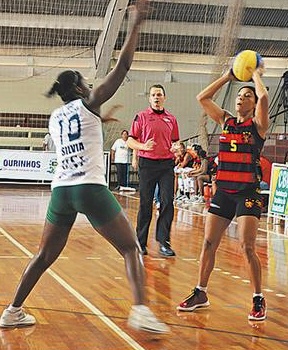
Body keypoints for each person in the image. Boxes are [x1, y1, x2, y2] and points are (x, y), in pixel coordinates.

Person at [0, 0, 169, 334]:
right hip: (89, 188)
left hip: (61, 191)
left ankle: (12, 310)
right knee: (130, 248)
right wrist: (135, 23)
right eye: (87, 83)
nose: (92, 86)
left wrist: (100, 118)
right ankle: (140, 310)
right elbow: (121, 68)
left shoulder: (55, 117)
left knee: (44, 255)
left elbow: (77, 130)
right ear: (79, 88)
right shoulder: (90, 102)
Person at [177, 64, 269, 321]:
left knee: (247, 246)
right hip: (224, 192)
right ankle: (201, 292)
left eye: (246, 96)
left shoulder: (258, 126)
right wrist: (228, 76)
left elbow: (264, 97)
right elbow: (202, 98)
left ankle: (258, 298)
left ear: (253, 104)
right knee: (208, 243)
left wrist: (255, 76)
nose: (242, 98)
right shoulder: (226, 121)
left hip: (247, 192)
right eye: (239, 95)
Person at [127, 84, 180, 257]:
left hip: (166, 165)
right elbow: (130, 140)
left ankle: (164, 242)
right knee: (145, 203)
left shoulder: (171, 119)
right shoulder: (141, 117)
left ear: (165, 97)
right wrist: (143, 146)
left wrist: (177, 149)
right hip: (147, 164)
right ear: (149, 98)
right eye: (153, 95)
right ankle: (140, 243)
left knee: (167, 201)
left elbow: (175, 142)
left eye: (159, 94)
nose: (156, 97)